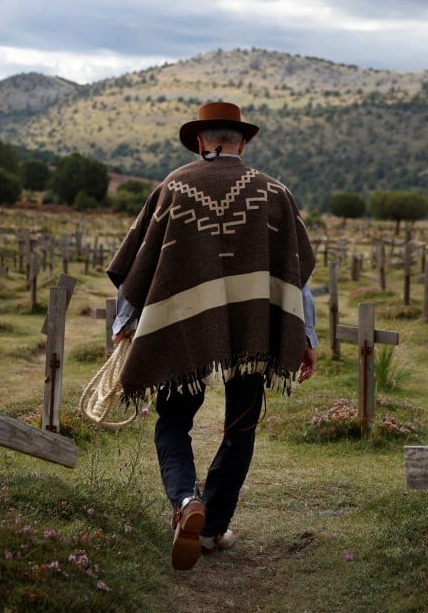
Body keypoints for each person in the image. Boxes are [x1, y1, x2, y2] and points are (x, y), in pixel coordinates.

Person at [107, 101, 318, 571]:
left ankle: (186, 504)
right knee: (241, 424)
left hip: (182, 328)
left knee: (173, 420)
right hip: (255, 330)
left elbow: (139, 268)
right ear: (241, 142)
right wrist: (307, 337)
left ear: (201, 141)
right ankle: (213, 527)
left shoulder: (171, 189)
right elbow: (298, 275)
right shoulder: (275, 193)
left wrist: (124, 326)